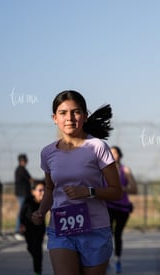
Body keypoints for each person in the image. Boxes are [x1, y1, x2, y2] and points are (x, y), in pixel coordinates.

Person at [31, 90, 122, 275]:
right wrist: (41, 211)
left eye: (76, 112)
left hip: (95, 229)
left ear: (85, 116)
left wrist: (88, 192)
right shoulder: (47, 153)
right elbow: (50, 189)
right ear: (54, 118)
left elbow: (116, 191)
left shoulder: (98, 147)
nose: (70, 118)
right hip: (61, 229)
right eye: (63, 113)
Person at [106, 146, 137, 274]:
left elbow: (134, 189)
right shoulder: (104, 170)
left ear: (120, 154)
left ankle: (117, 260)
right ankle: (105, 260)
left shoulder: (126, 170)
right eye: (110, 153)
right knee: (107, 234)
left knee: (118, 234)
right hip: (108, 206)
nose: (113, 155)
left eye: (115, 153)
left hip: (122, 207)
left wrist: (120, 188)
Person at [19, 180, 46, 275]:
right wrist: (21, 224)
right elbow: (22, 213)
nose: (42, 192)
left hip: (39, 229)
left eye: (44, 190)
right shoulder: (28, 200)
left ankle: (38, 271)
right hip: (28, 229)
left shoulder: (44, 202)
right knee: (31, 248)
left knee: (38, 250)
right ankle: (37, 262)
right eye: (40, 190)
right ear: (33, 191)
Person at [15, 153, 34, 237]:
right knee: (22, 213)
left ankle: (22, 230)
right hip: (22, 194)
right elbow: (30, 179)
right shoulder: (20, 170)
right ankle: (17, 231)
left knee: (25, 212)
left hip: (24, 194)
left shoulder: (23, 169)